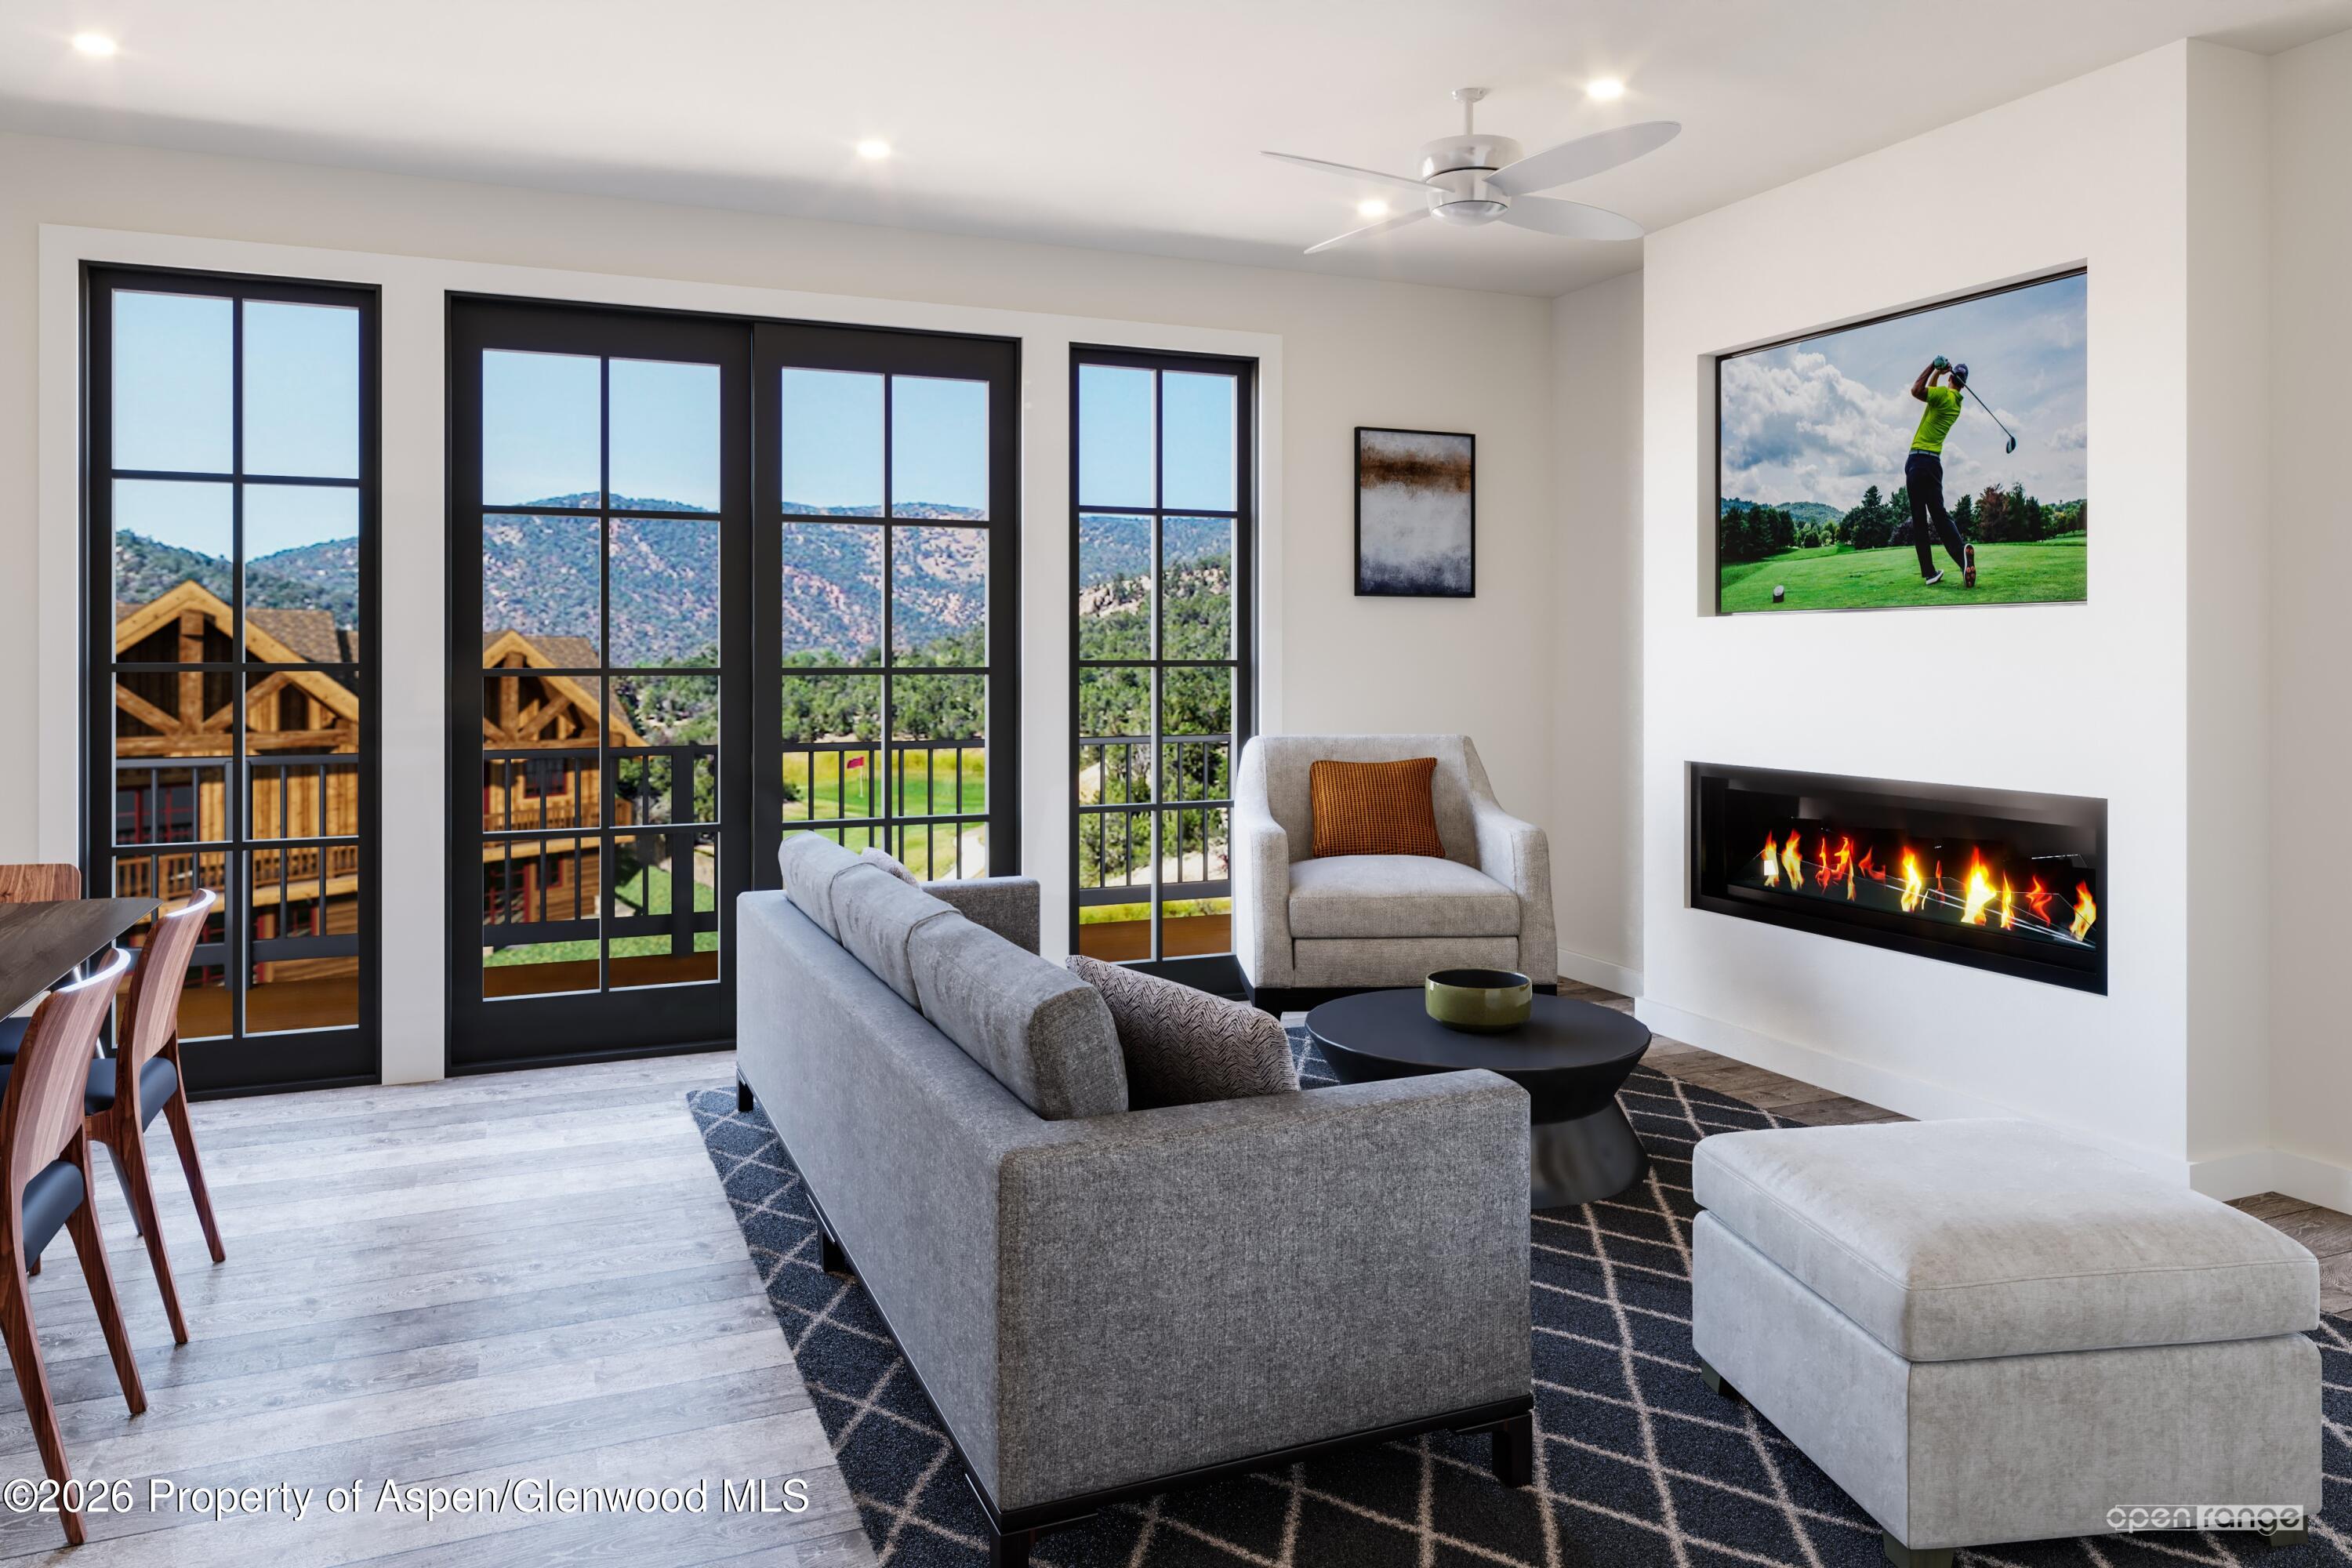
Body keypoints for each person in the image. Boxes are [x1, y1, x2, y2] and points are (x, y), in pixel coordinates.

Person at [1906, 356, 1977, 588]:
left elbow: (1917, 390)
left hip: (1917, 461)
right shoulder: (1955, 403)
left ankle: (1929, 572)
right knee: (1940, 515)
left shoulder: (1942, 397)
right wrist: (1938, 372)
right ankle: (1962, 561)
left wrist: (1931, 365)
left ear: (1951, 377)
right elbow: (1932, 392)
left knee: (1919, 519)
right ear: (1963, 385)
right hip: (1934, 465)